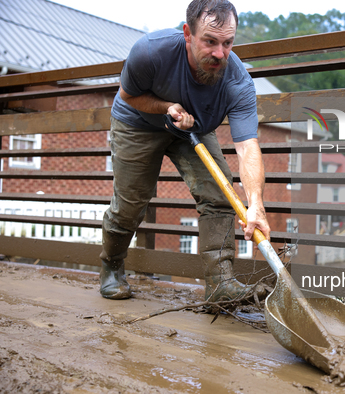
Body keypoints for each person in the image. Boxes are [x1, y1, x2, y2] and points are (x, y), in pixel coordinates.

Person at [99, 0, 270, 301]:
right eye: (210, 41)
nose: (220, 53)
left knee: (219, 194)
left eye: (228, 43)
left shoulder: (238, 81)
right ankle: (111, 267)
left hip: (193, 128)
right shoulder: (151, 51)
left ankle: (220, 285)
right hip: (138, 122)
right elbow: (128, 95)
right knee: (131, 203)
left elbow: (247, 146)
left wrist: (255, 202)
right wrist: (167, 107)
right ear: (188, 34)